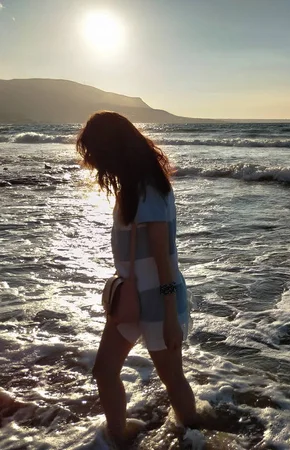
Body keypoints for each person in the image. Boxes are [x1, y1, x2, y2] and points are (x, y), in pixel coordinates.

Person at [76, 111, 199, 446]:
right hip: (131, 300)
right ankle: (118, 437)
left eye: (96, 153)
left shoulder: (148, 189)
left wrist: (172, 317)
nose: (94, 162)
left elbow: (163, 260)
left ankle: (196, 438)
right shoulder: (133, 187)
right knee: (105, 370)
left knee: (173, 379)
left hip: (160, 303)